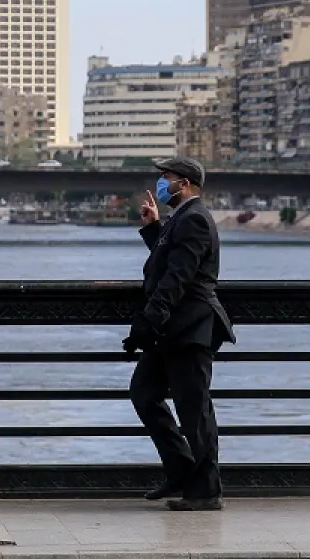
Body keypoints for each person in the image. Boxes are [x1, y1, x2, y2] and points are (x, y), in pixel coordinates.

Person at [124, 156, 235, 511]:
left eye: (166, 178)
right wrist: (155, 229)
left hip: (191, 327)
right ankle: (180, 469)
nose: (161, 183)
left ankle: (205, 491)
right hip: (172, 328)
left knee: (194, 409)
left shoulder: (196, 220)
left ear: (184, 183)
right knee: (144, 394)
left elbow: (178, 278)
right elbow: (170, 262)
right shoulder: (181, 219)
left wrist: (148, 321)